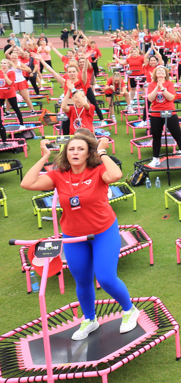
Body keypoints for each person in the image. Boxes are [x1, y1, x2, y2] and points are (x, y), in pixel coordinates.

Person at [20, 131, 141, 340]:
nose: (75, 152)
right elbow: (27, 183)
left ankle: (130, 310)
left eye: (80, 149)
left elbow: (116, 176)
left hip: (103, 231)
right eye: (71, 149)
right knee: (82, 280)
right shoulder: (58, 175)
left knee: (105, 278)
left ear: (88, 154)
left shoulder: (98, 171)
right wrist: (44, 157)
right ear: (66, 153)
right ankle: (90, 319)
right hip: (73, 236)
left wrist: (102, 152)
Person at [146, 65, 181, 168]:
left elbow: (170, 97)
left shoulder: (169, 83)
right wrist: (157, 86)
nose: (160, 73)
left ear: (166, 74)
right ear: (155, 74)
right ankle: (155, 159)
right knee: (156, 137)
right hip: (156, 113)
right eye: (158, 71)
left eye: (163, 71)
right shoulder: (151, 84)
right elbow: (150, 98)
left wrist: (162, 88)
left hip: (169, 112)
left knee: (177, 135)